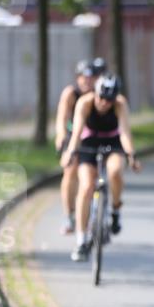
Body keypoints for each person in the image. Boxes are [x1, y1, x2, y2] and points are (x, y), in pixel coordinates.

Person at [60, 74, 142, 262]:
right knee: (86, 186)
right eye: (101, 98)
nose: (104, 103)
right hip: (89, 142)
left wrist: (132, 155)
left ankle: (115, 210)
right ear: (95, 94)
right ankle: (81, 240)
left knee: (114, 171)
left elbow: (125, 133)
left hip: (112, 141)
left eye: (109, 100)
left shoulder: (120, 105)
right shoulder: (84, 103)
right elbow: (77, 133)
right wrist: (70, 153)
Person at [54, 60, 95, 234]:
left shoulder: (99, 95)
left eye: (90, 78)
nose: (87, 81)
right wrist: (61, 135)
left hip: (93, 136)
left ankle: (96, 209)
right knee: (70, 170)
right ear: (78, 78)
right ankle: (69, 215)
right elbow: (62, 117)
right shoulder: (71, 94)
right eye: (83, 77)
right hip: (73, 135)